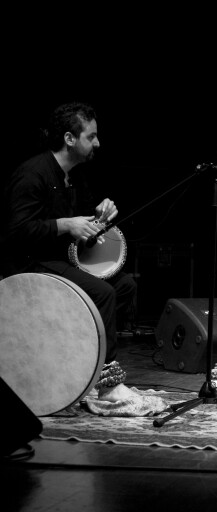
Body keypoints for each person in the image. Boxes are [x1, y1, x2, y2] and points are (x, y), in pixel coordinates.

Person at [0, 102, 137, 401]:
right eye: (91, 136)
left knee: (124, 285)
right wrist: (65, 224)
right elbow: (15, 233)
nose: (98, 143)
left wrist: (100, 216)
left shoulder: (75, 175)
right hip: (29, 264)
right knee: (102, 293)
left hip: (58, 261)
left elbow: (81, 232)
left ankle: (80, 366)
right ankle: (107, 382)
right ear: (69, 139)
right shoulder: (33, 174)